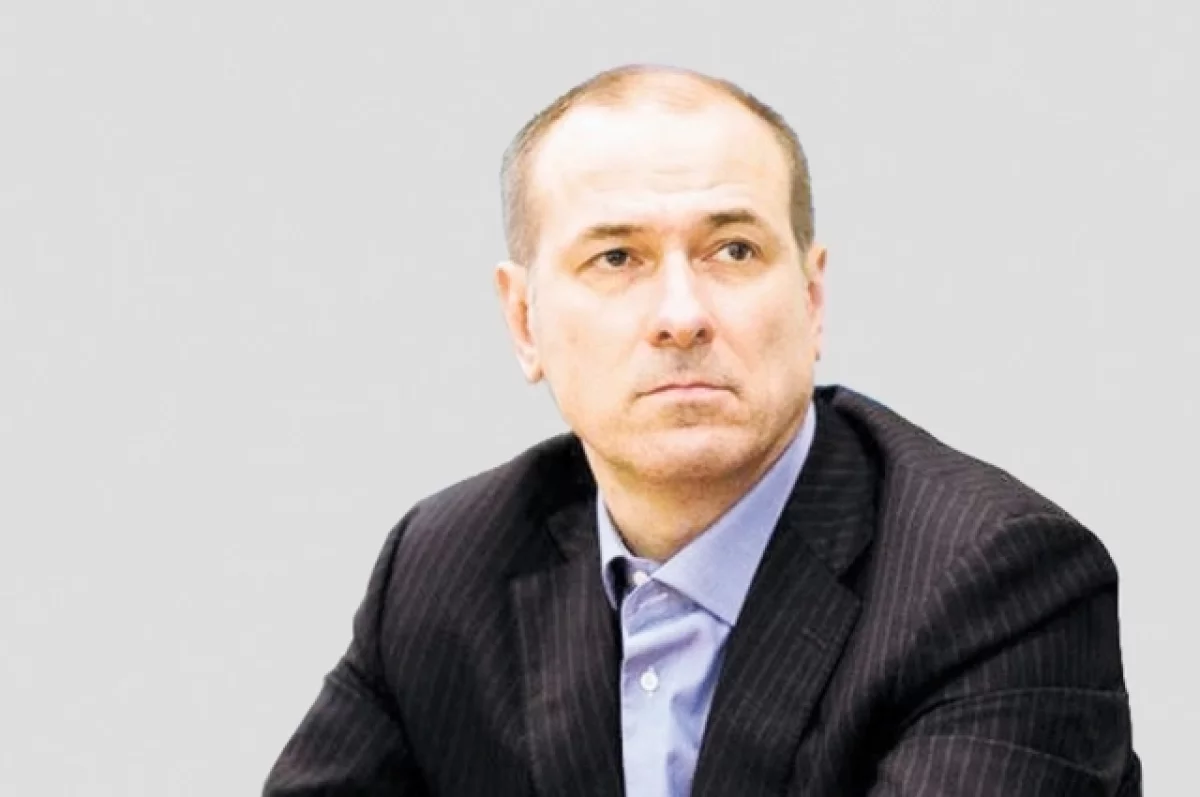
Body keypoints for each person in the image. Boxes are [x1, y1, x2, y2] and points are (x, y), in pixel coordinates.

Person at [263, 64, 1141, 796]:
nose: (681, 314)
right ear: (524, 320)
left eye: (733, 251)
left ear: (812, 298)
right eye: (617, 258)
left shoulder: (997, 581)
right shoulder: (444, 567)